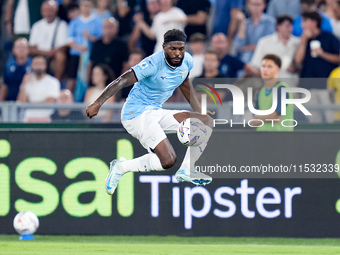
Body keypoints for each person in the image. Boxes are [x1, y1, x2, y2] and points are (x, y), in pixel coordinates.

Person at [86, 29, 214, 195]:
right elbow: (122, 80)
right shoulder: (152, 63)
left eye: (181, 49)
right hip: (136, 114)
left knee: (206, 121)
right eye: (172, 49)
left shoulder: (187, 60)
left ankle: (187, 169)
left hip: (155, 111)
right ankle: (121, 167)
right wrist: (98, 102)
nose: (177, 53)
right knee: (168, 160)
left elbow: (184, 83)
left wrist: (199, 111)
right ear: (163, 47)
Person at [294, 11, 340, 123]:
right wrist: (304, 40)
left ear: (314, 23)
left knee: (330, 118)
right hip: (308, 86)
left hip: (326, 86)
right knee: (313, 120)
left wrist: (322, 54)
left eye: (305, 21)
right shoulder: (303, 40)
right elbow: (297, 60)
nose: (302, 25)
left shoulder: (329, 38)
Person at [66, 0, 102, 97]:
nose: (86, 8)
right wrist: (79, 48)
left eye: (88, 6)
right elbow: (69, 40)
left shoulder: (97, 22)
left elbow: (100, 39)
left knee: (88, 78)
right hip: (76, 54)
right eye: (84, 5)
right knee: (72, 78)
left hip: (91, 56)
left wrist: (90, 37)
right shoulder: (74, 22)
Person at [250, 15, 301, 83]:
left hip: (292, 85)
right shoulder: (264, 42)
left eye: (291, 26)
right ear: (278, 27)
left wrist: (294, 68)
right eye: (287, 26)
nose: (290, 29)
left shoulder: (298, 42)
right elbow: (256, 64)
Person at [253, 54, 294, 131]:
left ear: (278, 69)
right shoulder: (260, 92)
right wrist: (273, 119)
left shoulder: (282, 89)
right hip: (262, 138)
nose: (265, 69)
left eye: (269, 67)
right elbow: (253, 121)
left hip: (281, 138)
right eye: (263, 66)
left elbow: (274, 115)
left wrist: (262, 118)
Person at [29, 0, 68, 81]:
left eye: (50, 10)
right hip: (39, 54)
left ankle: (57, 82)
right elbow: (32, 48)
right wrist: (44, 52)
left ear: (55, 10)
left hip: (53, 56)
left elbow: (63, 47)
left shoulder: (62, 25)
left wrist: (51, 53)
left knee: (60, 56)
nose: (47, 13)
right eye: (45, 10)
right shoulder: (37, 26)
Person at [17, 55, 61, 123]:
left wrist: (30, 104)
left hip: (46, 117)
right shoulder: (27, 81)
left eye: (41, 64)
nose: (38, 67)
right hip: (28, 118)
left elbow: (49, 102)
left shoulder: (53, 82)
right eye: (36, 64)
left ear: (45, 65)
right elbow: (21, 102)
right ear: (32, 65)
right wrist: (24, 84)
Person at [88, 17, 129, 82]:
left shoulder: (121, 45)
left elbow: (125, 65)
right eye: (105, 27)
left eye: (110, 27)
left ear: (116, 29)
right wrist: (88, 79)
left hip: (114, 83)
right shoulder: (97, 44)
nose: (107, 30)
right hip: (97, 82)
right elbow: (90, 63)